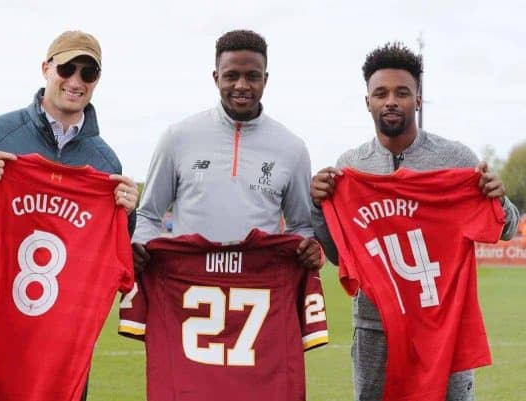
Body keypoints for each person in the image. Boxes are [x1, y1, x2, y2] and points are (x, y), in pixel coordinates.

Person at [310, 42, 520, 401]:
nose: (391, 100)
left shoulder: (456, 159)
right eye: (381, 93)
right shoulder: (349, 168)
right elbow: (339, 256)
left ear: (418, 100)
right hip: (376, 330)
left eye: (402, 92)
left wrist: (498, 197)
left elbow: (507, 227)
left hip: (443, 328)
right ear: (368, 102)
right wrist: (319, 205)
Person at [0, 30, 138, 401]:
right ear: (46, 68)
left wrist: (127, 213)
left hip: (61, 338)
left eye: (88, 74)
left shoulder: (105, 162)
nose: (76, 81)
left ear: (96, 82)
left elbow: (112, 253)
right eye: (67, 68)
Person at [132, 29, 322, 269]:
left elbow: (301, 226)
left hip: (260, 289)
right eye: (231, 75)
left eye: (252, 76)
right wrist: (139, 244)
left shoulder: (292, 148)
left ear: (265, 79)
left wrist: (308, 247)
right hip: (187, 286)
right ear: (216, 78)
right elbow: (148, 215)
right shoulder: (178, 137)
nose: (241, 85)